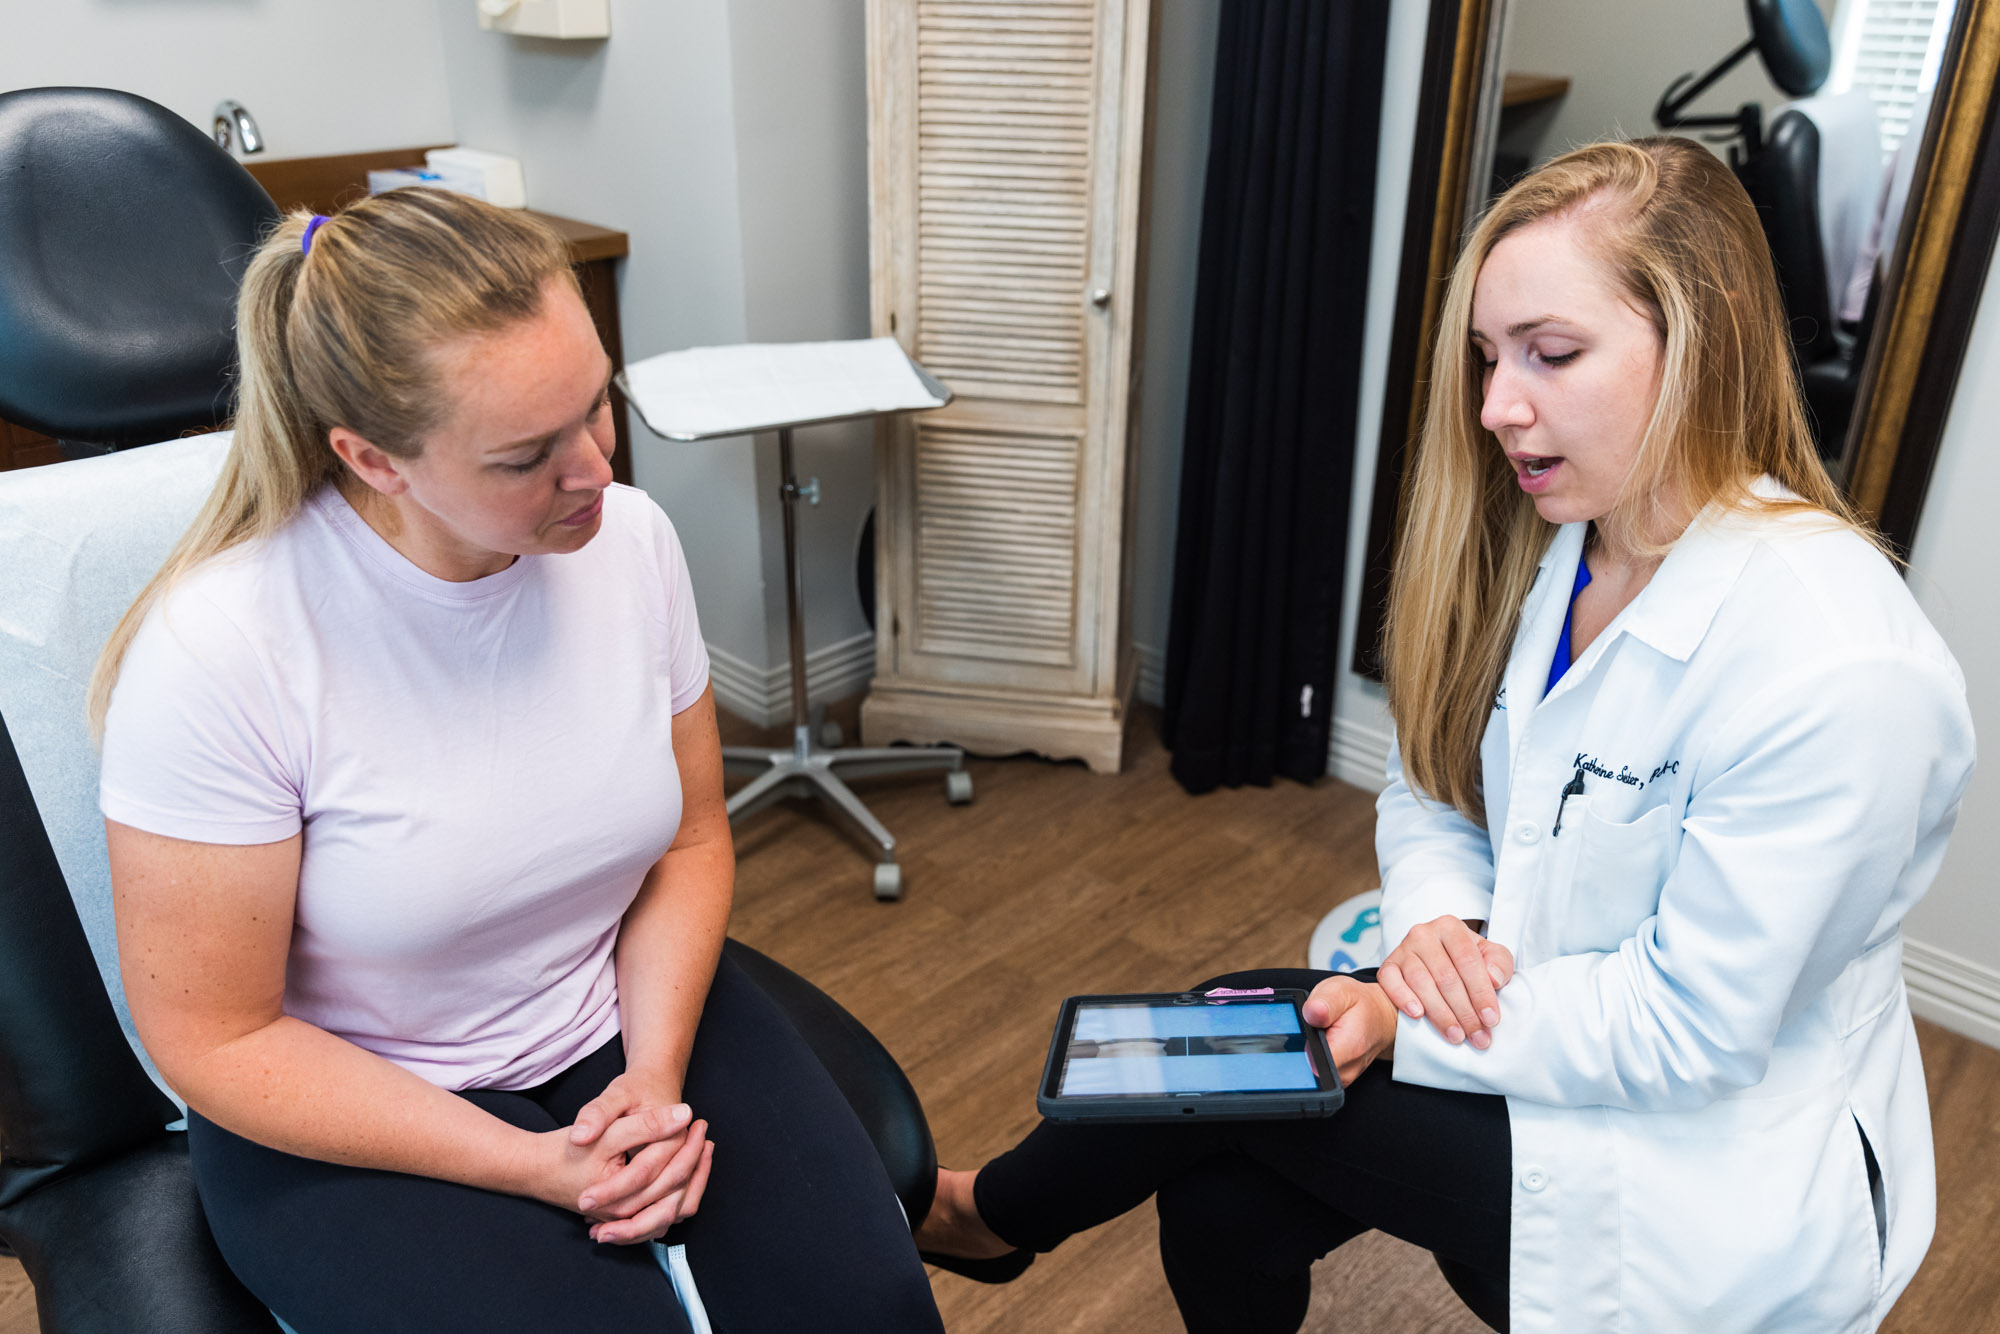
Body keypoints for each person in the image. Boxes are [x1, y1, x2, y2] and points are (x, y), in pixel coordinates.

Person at [912, 137, 1976, 1333]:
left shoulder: (1839, 664)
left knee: (1247, 1028)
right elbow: (1432, 783)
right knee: (1222, 1199)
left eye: (1549, 354)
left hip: (1711, 1166)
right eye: (1486, 356)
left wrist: (1400, 1019)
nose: (1493, 406)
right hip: (1542, 1040)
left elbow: (1689, 1028)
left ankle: (985, 1213)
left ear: (1702, 341)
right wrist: (1435, 921)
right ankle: (988, 1214)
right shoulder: (1571, 547)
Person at [92, 189, 945, 1334]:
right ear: (372, 459)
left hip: (608, 1010)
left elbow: (692, 837)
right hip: (357, 1095)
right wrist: (535, 1163)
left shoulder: (629, 542)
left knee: (871, 1307)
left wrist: (651, 1081)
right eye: (525, 455)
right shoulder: (224, 652)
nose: (593, 469)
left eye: (596, 405)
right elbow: (214, 1036)